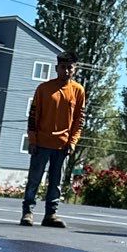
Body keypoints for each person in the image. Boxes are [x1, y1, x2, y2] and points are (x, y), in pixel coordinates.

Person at [21, 55, 84, 227]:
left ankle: (51, 214)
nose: (66, 70)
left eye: (70, 67)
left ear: (75, 69)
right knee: (34, 179)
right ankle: (28, 212)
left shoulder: (78, 91)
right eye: (63, 67)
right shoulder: (43, 89)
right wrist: (32, 140)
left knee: (56, 181)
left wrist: (72, 142)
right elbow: (33, 117)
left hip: (62, 145)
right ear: (57, 68)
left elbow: (79, 120)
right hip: (41, 143)